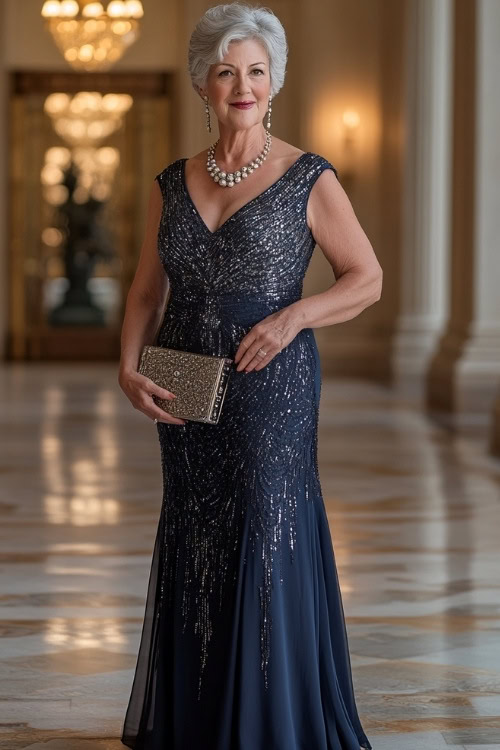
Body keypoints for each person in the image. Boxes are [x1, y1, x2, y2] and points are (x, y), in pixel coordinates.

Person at [118, 3, 382, 748]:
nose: (243, 85)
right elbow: (145, 290)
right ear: (204, 83)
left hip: (273, 383)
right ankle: (202, 715)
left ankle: (271, 721)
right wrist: (127, 366)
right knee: (198, 531)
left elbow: (367, 278)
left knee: (267, 522)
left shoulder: (307, 177)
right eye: (227, 71)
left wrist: (294, 317)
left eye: (257, 71)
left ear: (275, 84)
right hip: (184, 382)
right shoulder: (171, 182)